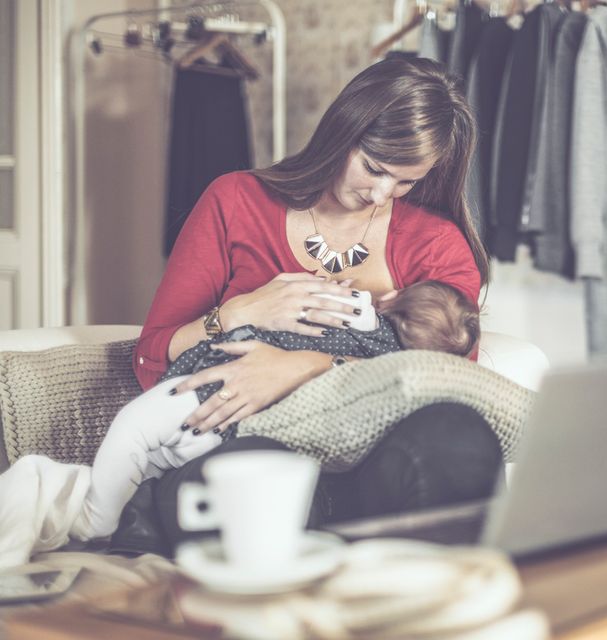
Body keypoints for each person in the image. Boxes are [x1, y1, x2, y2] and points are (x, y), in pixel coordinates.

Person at [120, 57, 503, 552]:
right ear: (343, 132)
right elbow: (151, 357)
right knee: (229, 484)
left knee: (460, 436)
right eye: (374, 168)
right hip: (252, 443)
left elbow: (453, 380)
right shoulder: (236, 201)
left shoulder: (437, 245)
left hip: (372, 465)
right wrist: (240, 313)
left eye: (405, 182)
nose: (381, 194)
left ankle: (427, 607)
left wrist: (304, 366)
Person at [67, 280, 481, 541]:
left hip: (216, 388)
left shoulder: (358, 309)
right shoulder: (394, 367)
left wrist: (328, 291)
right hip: (244, 429)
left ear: (391, 298)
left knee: (134, 431)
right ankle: (135, 509)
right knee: (160, 455)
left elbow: (318, 301)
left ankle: (98, 521)